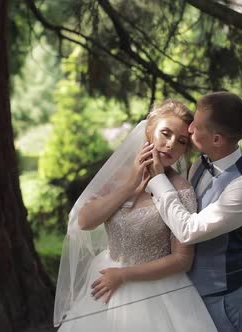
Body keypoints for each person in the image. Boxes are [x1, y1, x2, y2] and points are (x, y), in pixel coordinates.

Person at [54, 99, 216, 331]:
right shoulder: (118, 175)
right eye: (165, 133)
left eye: (181, 141)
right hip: (104, 280)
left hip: (153, 290)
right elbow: (85, 221)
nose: (171, 144)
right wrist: (130, 186)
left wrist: (123, 275)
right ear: (149, 131)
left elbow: (182, 260)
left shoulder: (181, 190)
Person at [146, 91, 242, 332]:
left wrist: (158, 179)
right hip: (183, 295)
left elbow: (188, 230)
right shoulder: (200, 163)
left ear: (217, 139)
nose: (189, 130)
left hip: (223, 301)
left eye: (196, 126)